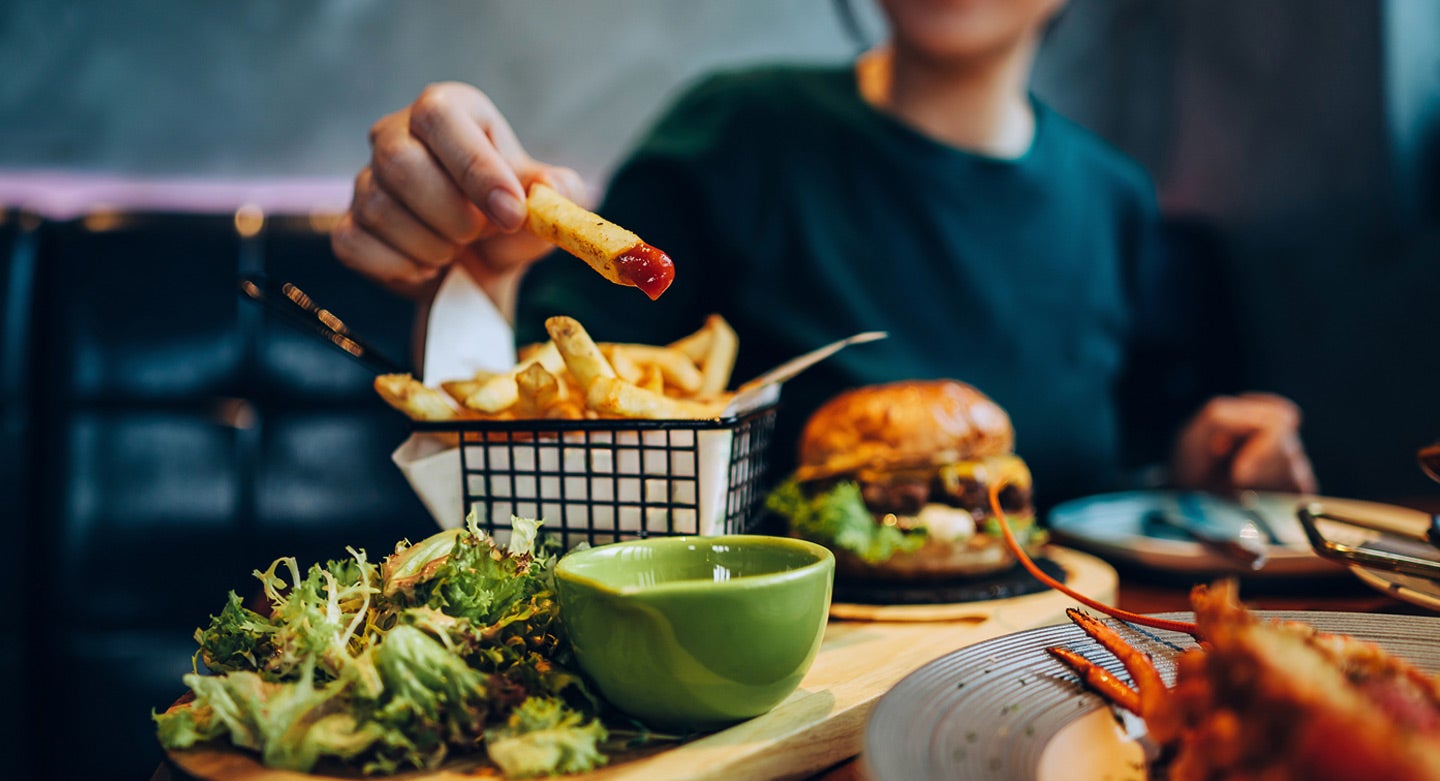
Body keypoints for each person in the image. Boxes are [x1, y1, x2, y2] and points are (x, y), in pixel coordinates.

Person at [331, 0, 1317, 510]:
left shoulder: (1115, 198)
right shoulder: (737, 133)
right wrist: (484, 272)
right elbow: (538, 418)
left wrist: (1202, 462)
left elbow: (1128, 458)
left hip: (1058, 676)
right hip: (783, 694)